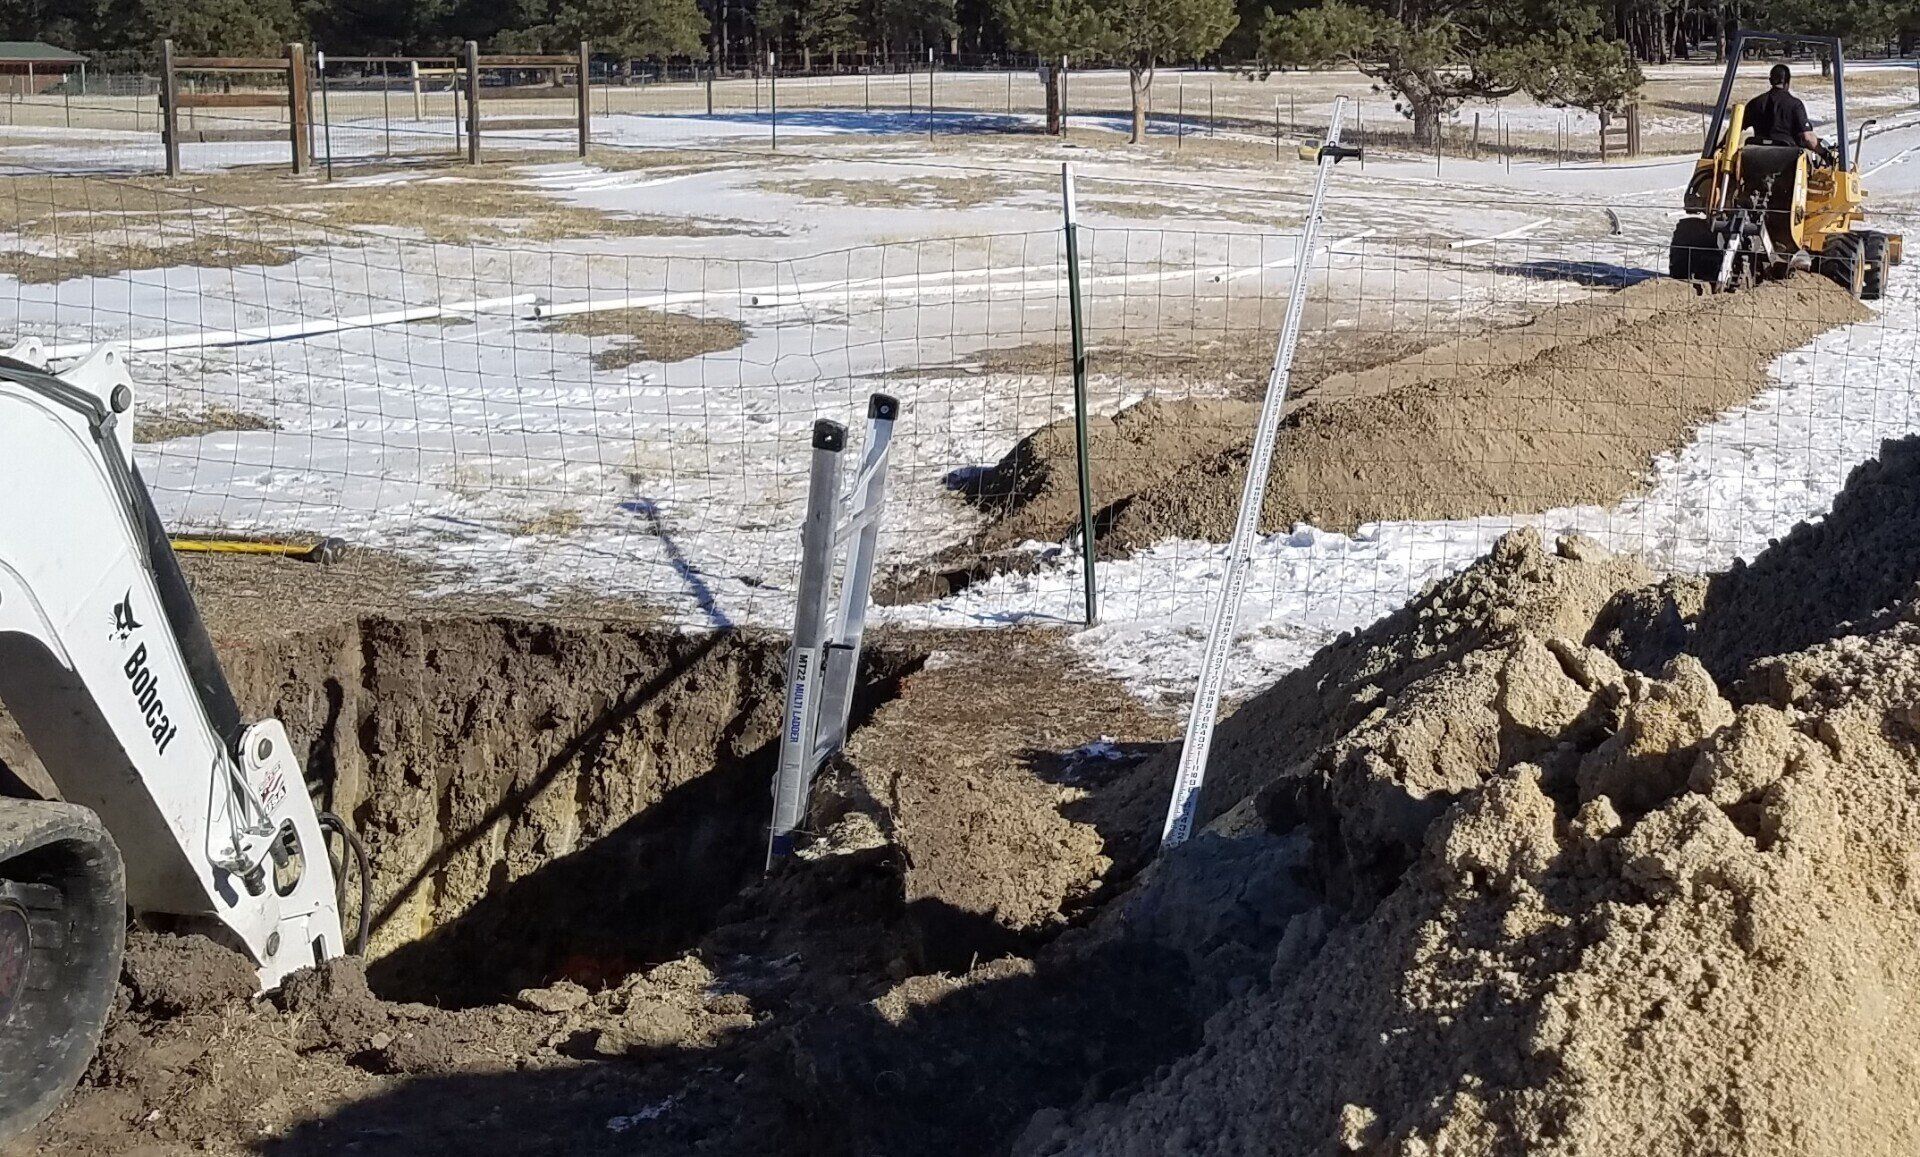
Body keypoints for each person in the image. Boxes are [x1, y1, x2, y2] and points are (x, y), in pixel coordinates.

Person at [1745, 63, 1819, 150]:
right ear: (1787, 82)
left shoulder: (1754, 103)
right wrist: (1823, 153)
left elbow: (1734, 130)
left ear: (1770, 80)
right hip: (1788, 157)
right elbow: (1808, 137)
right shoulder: (1795, 105)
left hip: (1756, 156)